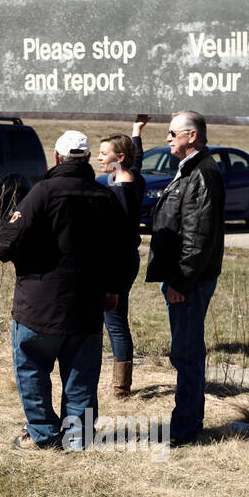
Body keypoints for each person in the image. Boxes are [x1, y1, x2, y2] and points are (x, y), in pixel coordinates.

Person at [0, 129, 133, 451]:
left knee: (32, 370)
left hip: (37, 308)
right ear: (87, 159)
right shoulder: (106, 198)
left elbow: (4, 245)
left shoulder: (41, 193)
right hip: (86, 308)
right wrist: (114, 289)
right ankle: (78, 437)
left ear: (56, 158)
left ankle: (43, 436)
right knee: (81, 376)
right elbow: (124, 251)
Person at [146, 110, 225, 446]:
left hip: (188, 282)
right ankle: (186, 422)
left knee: (187, 353)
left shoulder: (203, 173)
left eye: (172, 133)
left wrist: (180, 281)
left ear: (191, 136)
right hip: (183, 279)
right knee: (184, 351)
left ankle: (185, 428)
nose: (167, 138)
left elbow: (198, 237)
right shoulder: (190, 170)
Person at [97, 117, 148, 399]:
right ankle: (120, 385)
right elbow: (136, 162)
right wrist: (136, 132)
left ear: (119, 157)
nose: (99, 157)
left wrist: (113, 284)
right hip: (125, 261)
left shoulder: (121, 190)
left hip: (117, 264)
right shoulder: (130, 177)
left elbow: (119, 239)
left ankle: (120, 388)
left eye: (105, 153)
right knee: (116, 321)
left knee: (115, 323)